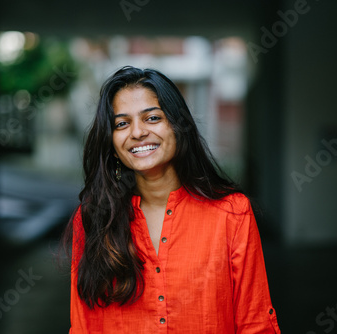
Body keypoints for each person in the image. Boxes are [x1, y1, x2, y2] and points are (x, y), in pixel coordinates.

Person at [61, 65, 281, 333]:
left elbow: (255, 323)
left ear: (178, 126)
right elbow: (83, 326)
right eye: (121, 123)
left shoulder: (232, 213)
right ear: (111, 143)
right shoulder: (95, 218)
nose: (138, 132)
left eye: (152, 118)